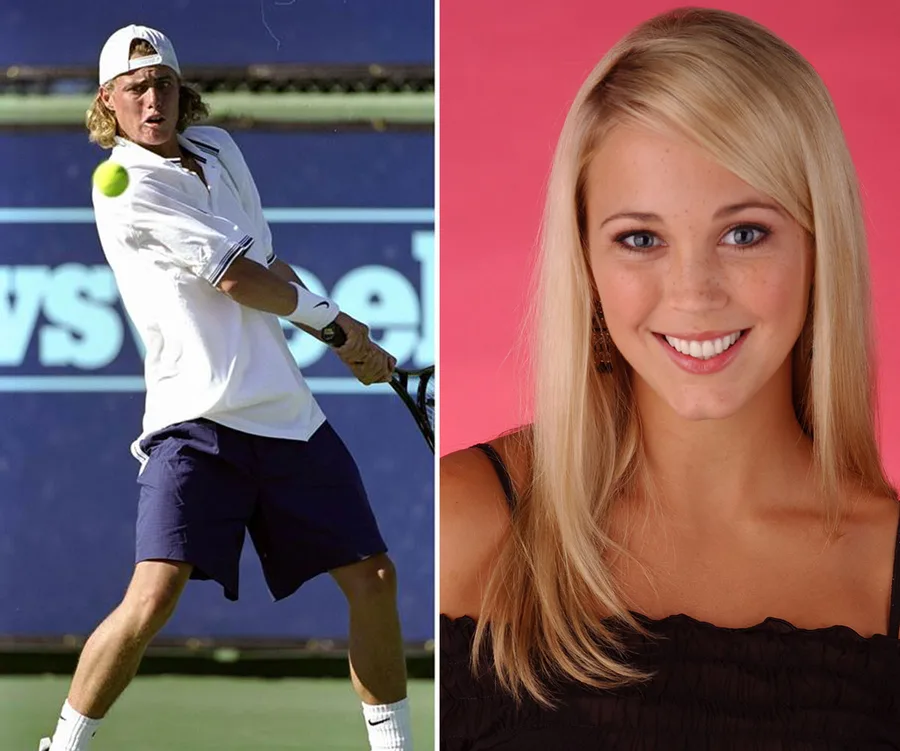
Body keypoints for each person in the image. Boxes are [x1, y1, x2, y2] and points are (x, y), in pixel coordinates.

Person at [440, 7, 900, 749]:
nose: (693, 293)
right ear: (585, 263)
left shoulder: (886, 567)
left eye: (744, 232)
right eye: (641, 239)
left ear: (821, 245)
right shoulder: (465, 524)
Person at [39, 25, 413, 751]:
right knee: (152, 596)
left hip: (286, 416)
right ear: (108, 102)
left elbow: (269, 264)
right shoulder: (123, 186)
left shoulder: (220, 152)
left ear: (183, 91)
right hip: (195, 419)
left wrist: (340, 345)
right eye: (136, 88)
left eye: (165, 84)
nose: (153, 100)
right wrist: (342, 328)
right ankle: (63, 746)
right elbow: (236, 278)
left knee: (374, 576)